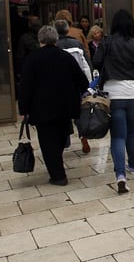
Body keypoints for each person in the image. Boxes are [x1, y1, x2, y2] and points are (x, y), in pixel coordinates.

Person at [18, 25, 89, 186]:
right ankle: (57, 166)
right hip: (65, 107)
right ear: (56, 39)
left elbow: (25, 86)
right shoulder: (65, 57)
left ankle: (58, 175)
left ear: (40, 39)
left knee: (48, 142)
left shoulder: (33, 59)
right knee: (59, 138)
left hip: (42, 108)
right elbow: (82, 80)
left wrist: (24, 109)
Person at [93, 9, 134, 194]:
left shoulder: (106, 42)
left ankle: (120, 175)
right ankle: (133, 165)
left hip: (114, 92)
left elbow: (96, 62)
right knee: (132, 129)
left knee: (118, 135)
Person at [55, 19, 93, 153]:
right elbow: (86, 66)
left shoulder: (54, 46)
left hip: (59, 87)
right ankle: (84, 139)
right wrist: (89, 86)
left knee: (62, 114)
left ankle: (65, 141)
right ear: (67, 30)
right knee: (79, 113)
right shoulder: (77, 44)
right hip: (76, 85)